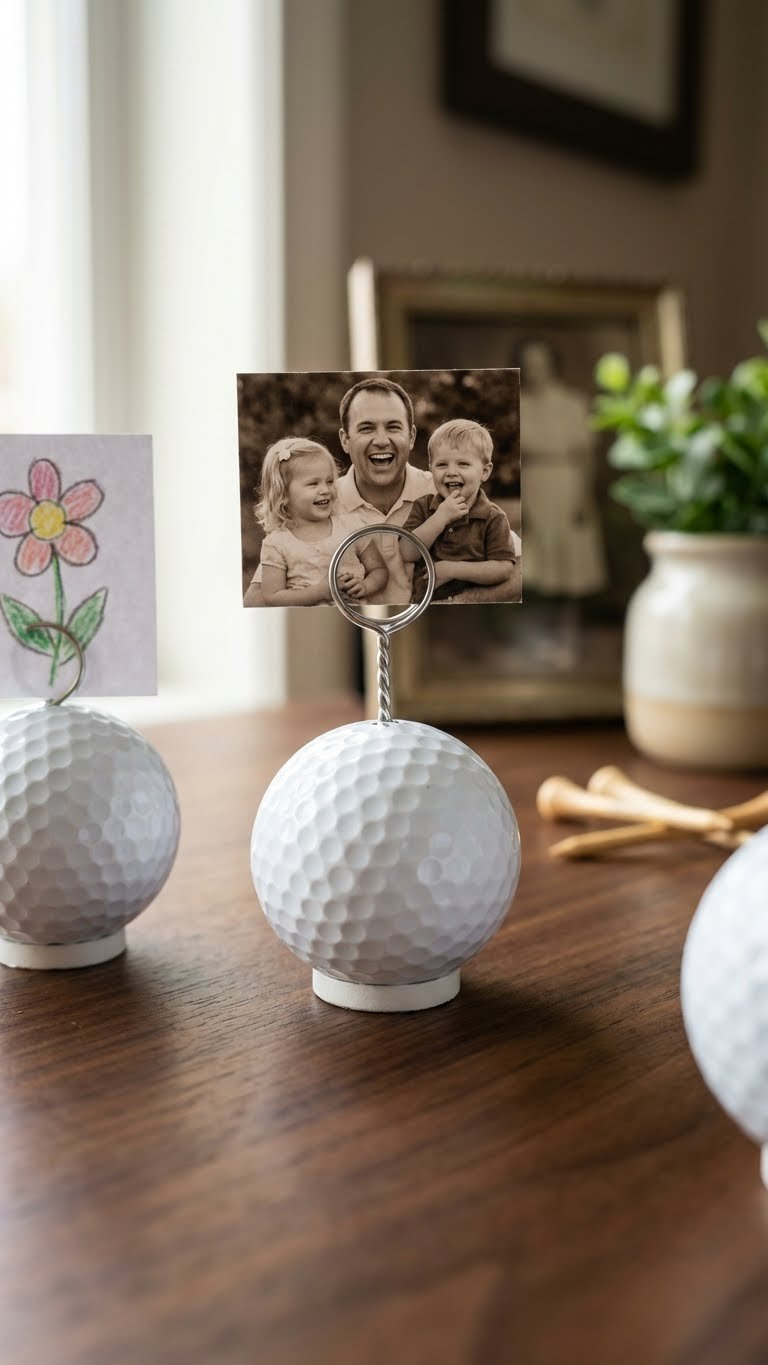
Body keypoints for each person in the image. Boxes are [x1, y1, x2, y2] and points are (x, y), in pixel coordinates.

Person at [516, 337, 607, 596]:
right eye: (529, 364)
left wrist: (584, 497)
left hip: (567, 482)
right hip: (531, 483)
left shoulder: (572, 403)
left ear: (553, 364)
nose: (535, 370)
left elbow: (586, 456)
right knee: (534, 564)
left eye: (540, 363)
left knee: (571, 559)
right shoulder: (518, 402)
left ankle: (568, 619)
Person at [336, 377, 434, 605]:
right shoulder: (319, 503)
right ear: (345, 440)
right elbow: (264, 594)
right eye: (366, 428)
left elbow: (513, 571)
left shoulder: (442, 492)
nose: (381, 440)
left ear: (411, 437)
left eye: (393, 427)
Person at [255, 437, 387, 607]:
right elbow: (272, 597)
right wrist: (319, 592)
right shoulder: (277, 543)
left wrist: (366, 586)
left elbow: (379, 570)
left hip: (352, 616)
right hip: (306, 619)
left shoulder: (351, 527)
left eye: (330, 481)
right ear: (284, 494)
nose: (325, 490)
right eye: (313, 483)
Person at [401, 419, 516, 601]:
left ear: (485, 471)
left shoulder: (493, 517)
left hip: (473, 602)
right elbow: (406, 552)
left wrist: (452, 569)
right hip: (426, 603)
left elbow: (504, 568)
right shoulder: (423, 506)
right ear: (431, 468)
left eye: (463, 464)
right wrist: (440, 518)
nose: (451, 472)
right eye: (442, 464)